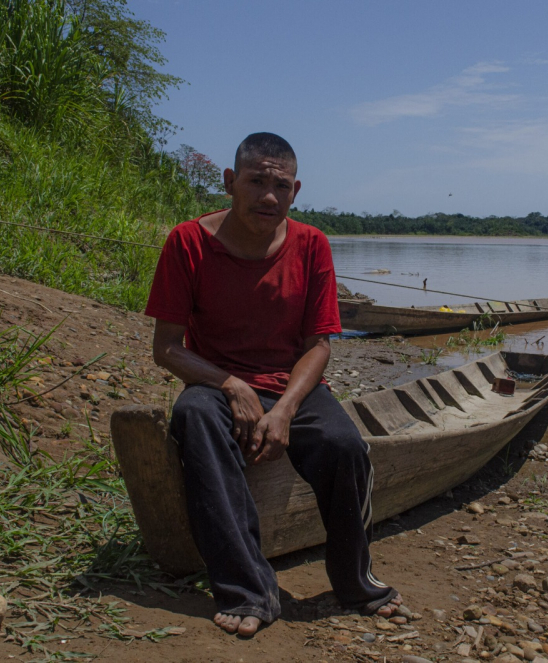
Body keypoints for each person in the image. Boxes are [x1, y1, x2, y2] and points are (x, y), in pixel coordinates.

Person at [144, 133, 400, 637]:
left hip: (292, 386)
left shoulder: (311, 245)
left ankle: (356, 583)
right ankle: (247, 590)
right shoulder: (188, 242)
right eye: (256, 181)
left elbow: (319, 345)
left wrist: (283, 409)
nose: (267, 196)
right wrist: (230, 384)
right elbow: (167, 348)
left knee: (345, 445)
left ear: (295, 190)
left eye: (279, 186)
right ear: (230, 182)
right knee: (193, 416)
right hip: (216, 385)